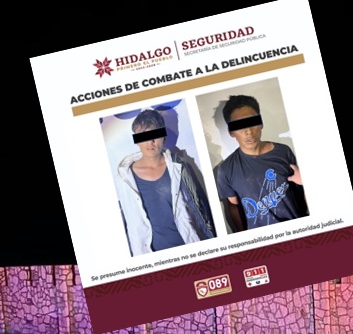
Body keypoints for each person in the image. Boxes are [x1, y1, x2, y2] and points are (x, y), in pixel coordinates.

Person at [116, 108, 216, 257]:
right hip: (149, 256)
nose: (150, 142)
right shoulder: (124, 176)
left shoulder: (179, 166)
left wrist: (213, 243)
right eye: (143, 136)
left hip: (188, 247)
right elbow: (125, 220)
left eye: (155, 135)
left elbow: (199, 206)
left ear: (163, 136)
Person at [215, 94, 308, 232]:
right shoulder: (226, 169)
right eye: (239, 125)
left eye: (252, 122)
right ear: (231, 131)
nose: (248, 131)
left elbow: (299, 190)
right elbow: (233, 206)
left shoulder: (283, 151)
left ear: (261, 123)